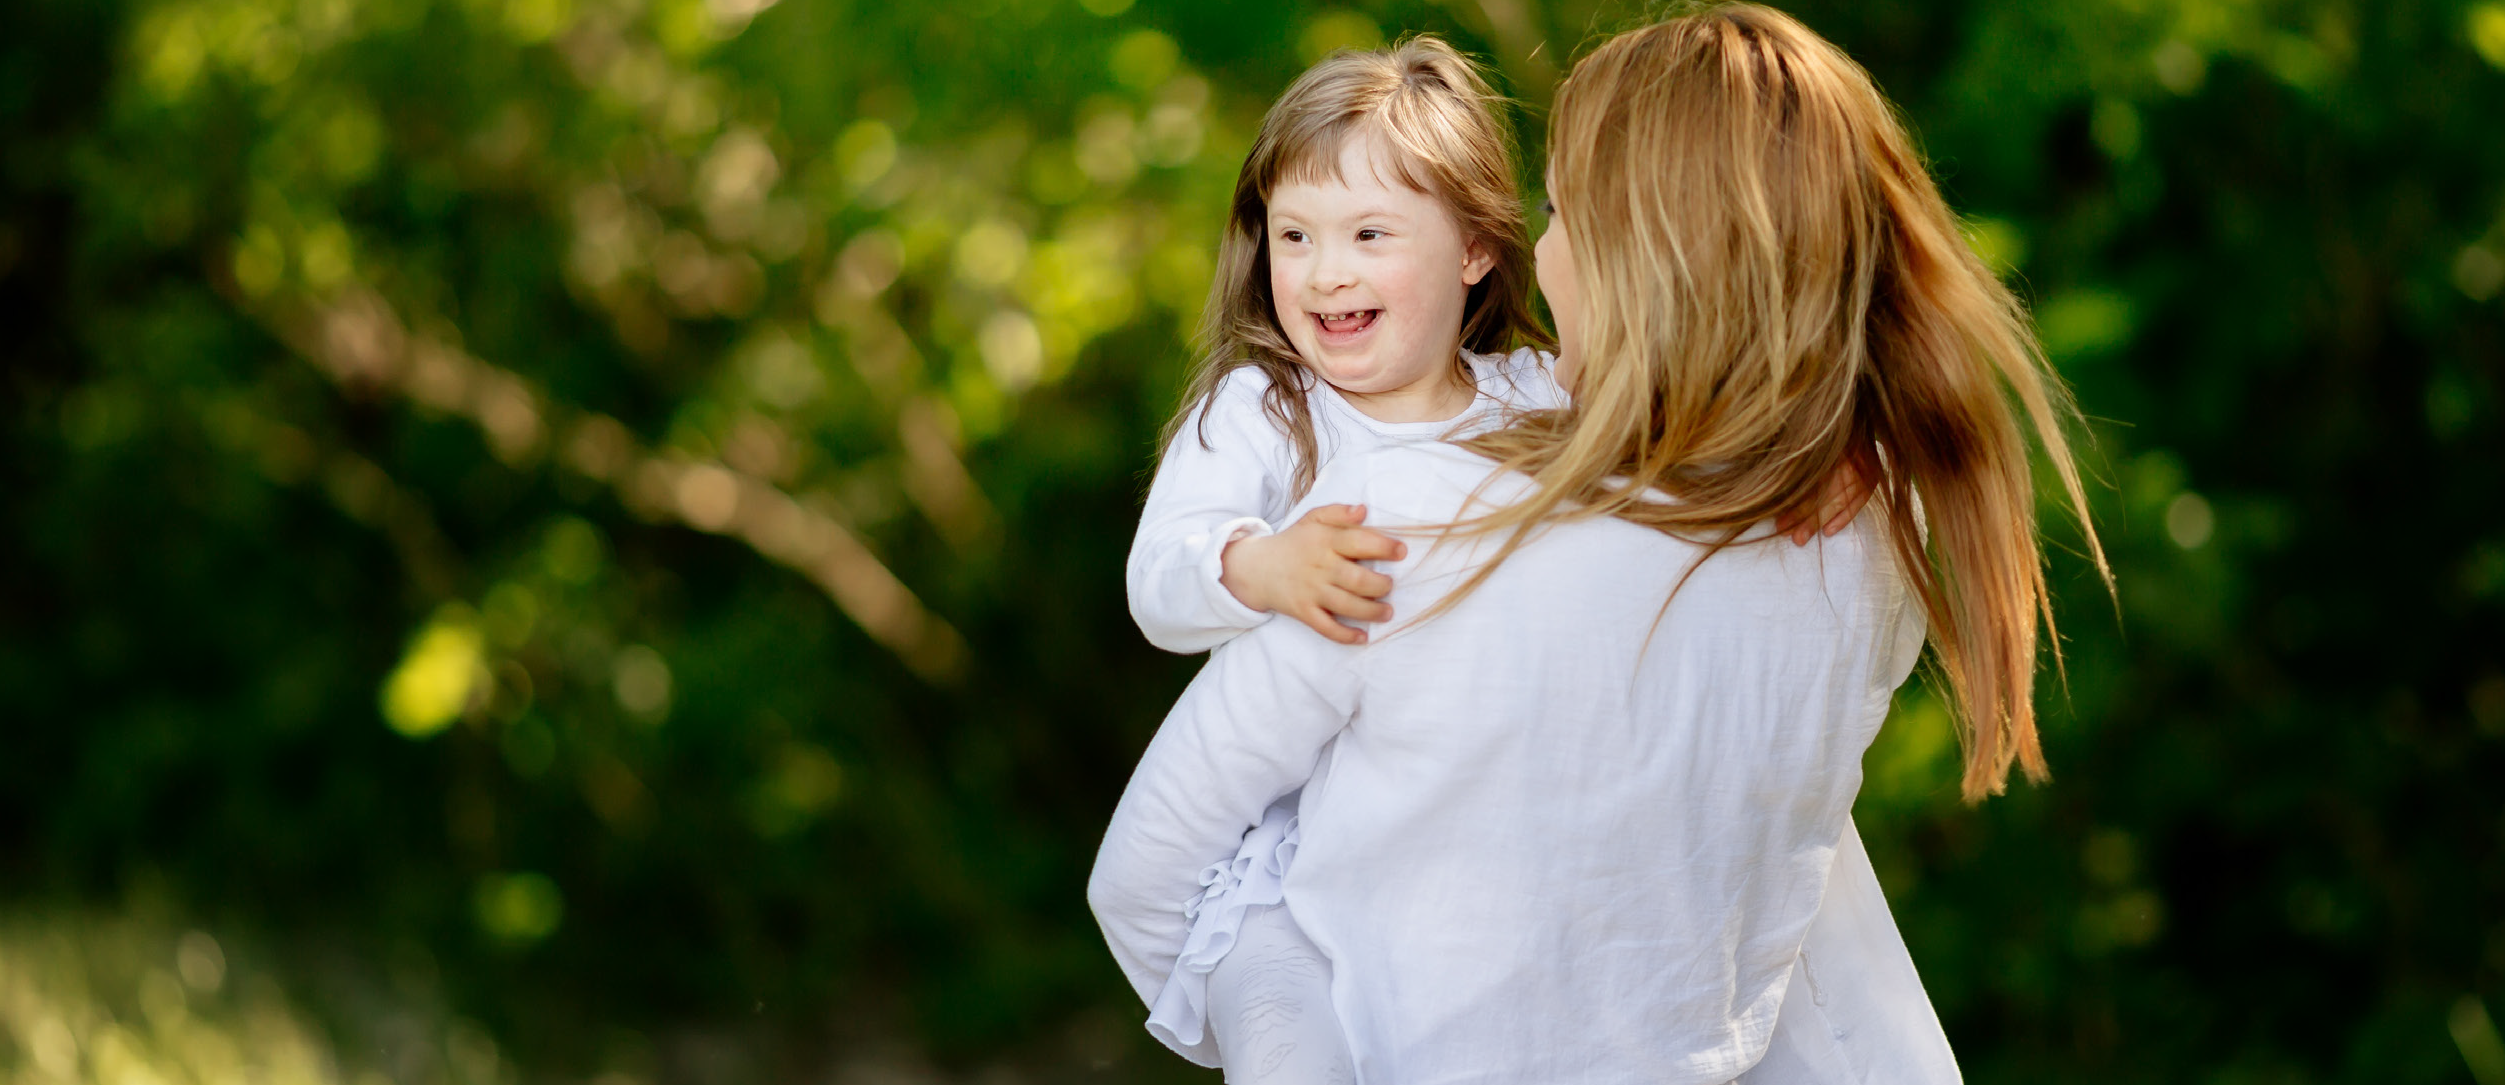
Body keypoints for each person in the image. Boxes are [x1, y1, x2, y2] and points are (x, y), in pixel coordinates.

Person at [1092, 5, 2108, 1082]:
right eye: (1298, 235)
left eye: (1563, 211)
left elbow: (1149, 877)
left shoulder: (1415, 521)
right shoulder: (1873, 531)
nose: (1548, 252)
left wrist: (1282, 1018)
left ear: (1650, 256)